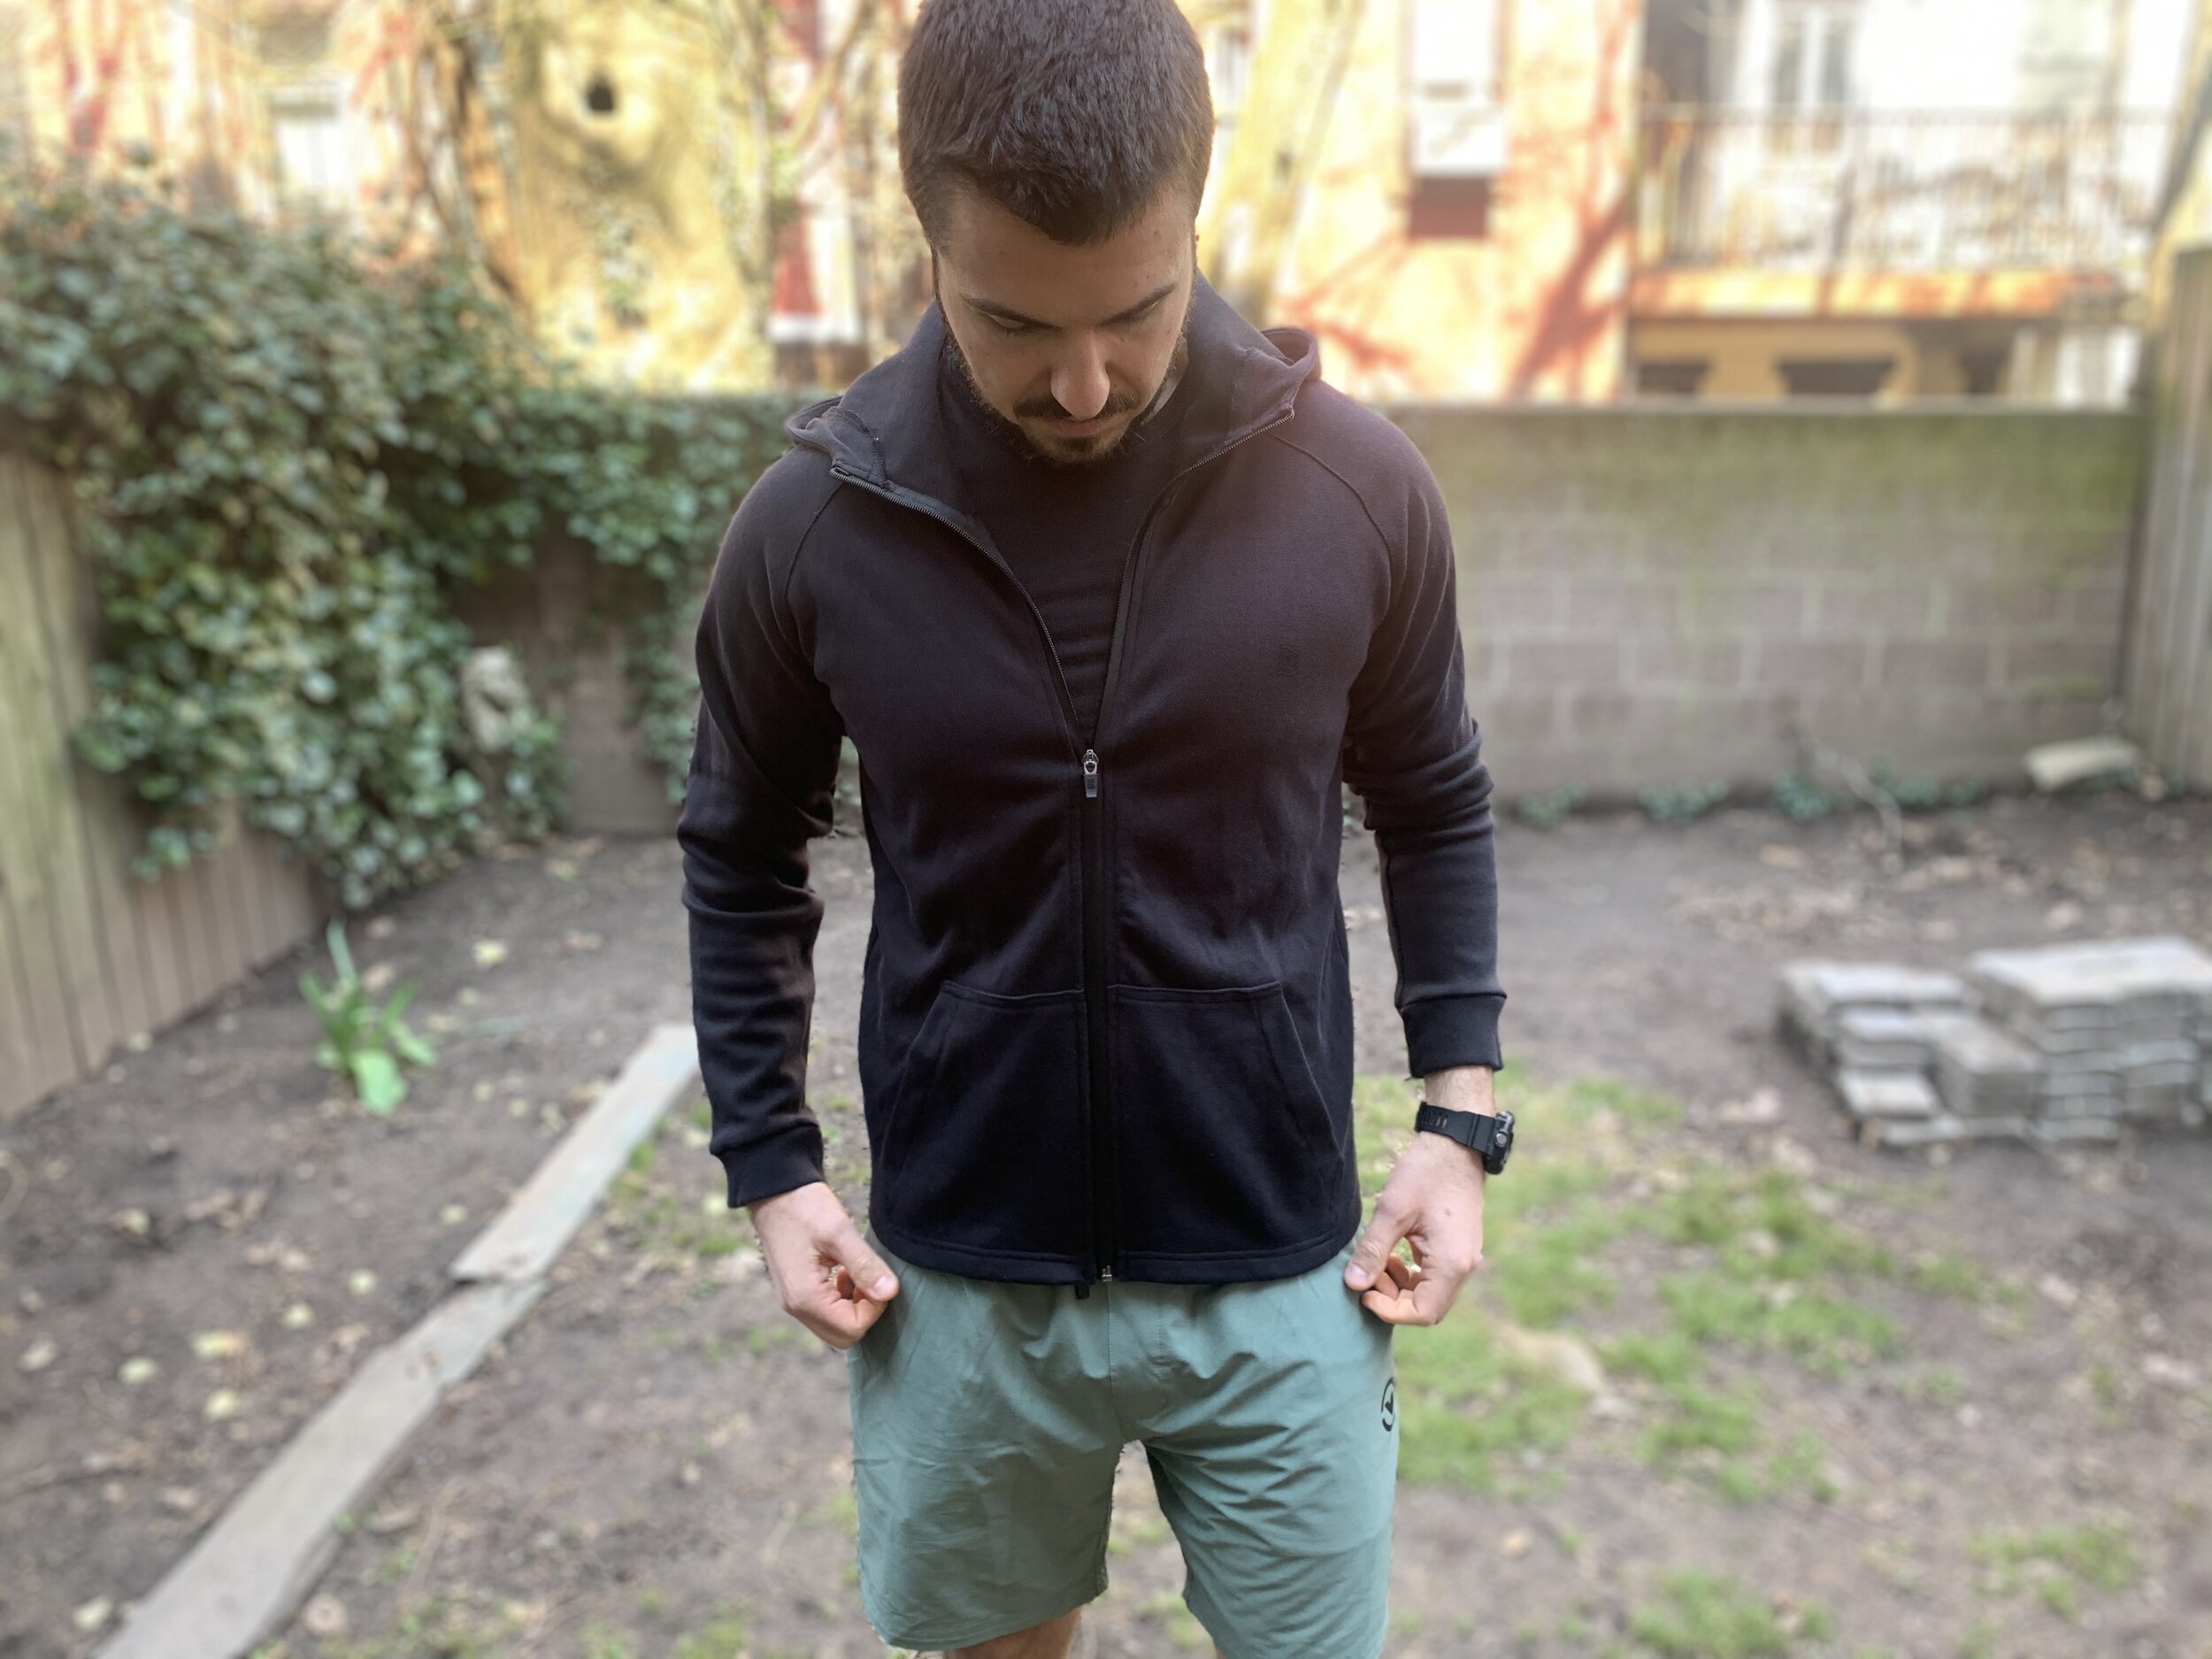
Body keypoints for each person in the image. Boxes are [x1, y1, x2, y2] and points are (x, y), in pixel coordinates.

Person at [677, 1, 1510, 1654]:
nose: (1082, 382)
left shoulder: (1361, 491)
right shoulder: (813, 529)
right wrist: (771, 1167)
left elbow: (1433, 796)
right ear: (925, 239)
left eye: (1137, 311)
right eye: (1013, 323)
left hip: (1285, 1265)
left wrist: (1459, 1116)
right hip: (960, 1280)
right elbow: (741, 849)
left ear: (1195, 216)